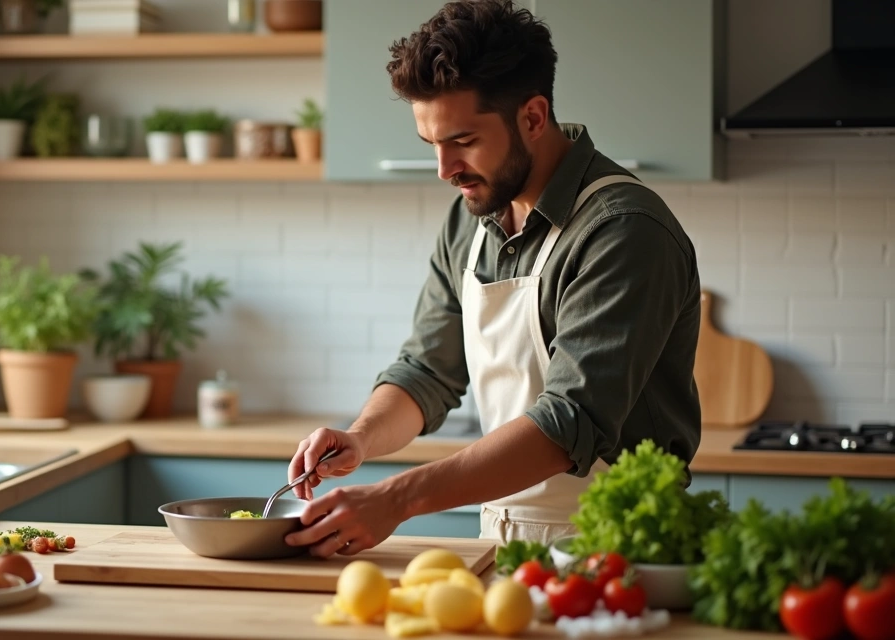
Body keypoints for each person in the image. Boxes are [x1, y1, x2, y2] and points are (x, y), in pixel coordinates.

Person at [284, 0, 702, 557]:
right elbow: (428, 370)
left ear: (532, 117)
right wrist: (361, 436)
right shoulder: (472, 216)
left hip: (625, 547)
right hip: (504, 544)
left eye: (462, 141)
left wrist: (398, 499)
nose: (444, 169)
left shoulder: (623, 231)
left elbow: (567, 423)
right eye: (431, 145)